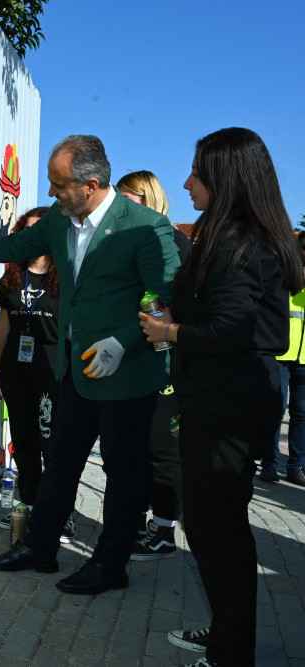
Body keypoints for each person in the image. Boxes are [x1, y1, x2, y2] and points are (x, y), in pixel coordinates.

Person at [0, 135, 180, 595]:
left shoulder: (144, 227)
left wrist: (122, 343)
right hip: (77, 371)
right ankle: (40, 548)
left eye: (60, 186)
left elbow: (164, 297)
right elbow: (9, 247)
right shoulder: (61, 220)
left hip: (127, 375)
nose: (52, 193)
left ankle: (110, 565)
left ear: (91, 184)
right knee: (60, 463)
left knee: (122, 475)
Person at [139, 128, 303, 666]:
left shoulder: (237, 240)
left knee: (218, 530)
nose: (186, 182)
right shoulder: (239, 234)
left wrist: (171, 334)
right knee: (215, 524)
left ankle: (232, 652)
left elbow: (235, 328)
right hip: (227, 399)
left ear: (225, 178)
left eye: (196, 172)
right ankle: (229, 635)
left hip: (227, 405)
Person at [116, 170, 191, 561]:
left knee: (163, 448)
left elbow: (185, 304)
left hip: (168, 363)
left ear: (147, 199)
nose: (119, 205)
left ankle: (164, 531)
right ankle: (142, 523)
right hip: (137, 360)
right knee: (139, 447)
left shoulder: (174, 241)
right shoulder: (133, 239)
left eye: (128, 198)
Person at [0, 206, 73, 541]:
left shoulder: (65, 273)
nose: (35, 236)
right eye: (29, 230)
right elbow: (4, 326)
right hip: (15, 369)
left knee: (53, 441)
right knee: (23, 440)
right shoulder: (12, 275)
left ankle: (60, 513)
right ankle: (31, 505)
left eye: (42, 230)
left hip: (52, 368)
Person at [260, 228, 305, 487]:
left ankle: (297, 465)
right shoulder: (285, 270)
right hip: (282, 351)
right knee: (276, 409)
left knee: (301, 413)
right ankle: (269, 462)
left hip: (304, 355)